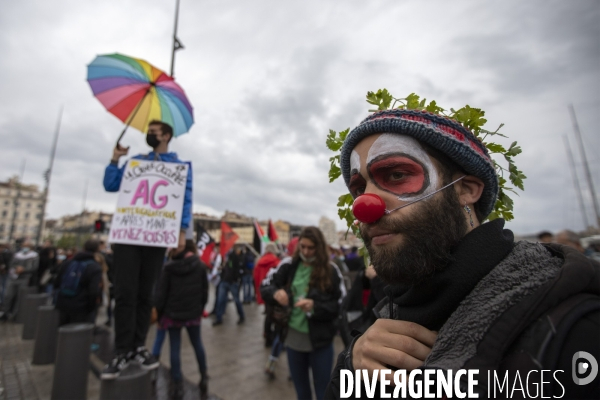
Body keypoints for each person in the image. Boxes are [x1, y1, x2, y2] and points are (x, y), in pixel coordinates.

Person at [325, 108, 600, 399]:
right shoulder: (390, 310)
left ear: (466, 190)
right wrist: (349, 367)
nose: (365, 206)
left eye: (396, 174)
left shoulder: (576, 333)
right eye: (358, 189)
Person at [101, 120, 193, 379]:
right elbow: (110, 185)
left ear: (166, 136)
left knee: (146, 294)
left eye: (153, 133)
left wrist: (182, 231)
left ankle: (139, 345)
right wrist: (114, 160)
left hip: (156, 236)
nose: (148, 135)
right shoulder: (136, 161)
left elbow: (185, 198)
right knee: (125, 293)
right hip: (129, 235)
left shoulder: (178, 166)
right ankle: (122, 350)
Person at [262, 226, 342, 400]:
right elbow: (266, 286)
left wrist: (315, 306)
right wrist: (276, 293)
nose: (306, 251)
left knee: (323, 392)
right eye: (302, 246)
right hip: (293, 340)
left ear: (319, 247)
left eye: (311, 247)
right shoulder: (289, 265)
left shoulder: (331, 270)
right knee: (302, 392)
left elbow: (339, 305)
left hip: (320, 342)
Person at [155, 240, 209, 400]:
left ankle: (177, 379)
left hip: (172, 314)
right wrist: (200, 309)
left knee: (175, 346)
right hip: (193, 313)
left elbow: (161, 294)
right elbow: (204, 291)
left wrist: (159, 314)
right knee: (197, 344)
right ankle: (204, 374)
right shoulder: (199, 265)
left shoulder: (168, 267)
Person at [54, 239, 103, 326]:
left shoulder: (68, 262)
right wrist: (92, 307)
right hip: (81, 306)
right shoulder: (95, 267)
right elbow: (93, 291)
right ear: (97, 250)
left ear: (83, 248)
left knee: (62, 332)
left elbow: (57, 282)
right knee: (78, 336)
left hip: (63, 303)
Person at [0, 241, 38, 321]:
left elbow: (34, 267)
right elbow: (11, 264)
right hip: (13, 277)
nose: (24, 247)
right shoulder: (17, 255)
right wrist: (16, 268)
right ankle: (5, 313)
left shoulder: (34, 256)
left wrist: (24, 270)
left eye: (27, 246)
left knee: (19, 297)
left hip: (24, 278)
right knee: (8, 296)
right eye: (23, 246)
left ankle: (15, 314)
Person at [254, 243, 281, 347]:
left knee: (268, 315)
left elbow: (255, 278)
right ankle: (276, 338)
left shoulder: (259, 262)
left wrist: (258, 292)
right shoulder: (277, 262)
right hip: (274, 292)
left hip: (264, 291)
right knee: (276, 316)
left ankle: (267, 336)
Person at [213, 246, 245, 326]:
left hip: (232, 282)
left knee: (237, 300)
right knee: (221, 300)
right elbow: (225, 268)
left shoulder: (234, 256)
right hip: (224, 281)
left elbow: (235, 268)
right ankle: (219, 318)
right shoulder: (223, 256)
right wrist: (222, 268)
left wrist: (235, 278)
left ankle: (241, 316)